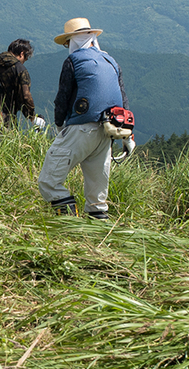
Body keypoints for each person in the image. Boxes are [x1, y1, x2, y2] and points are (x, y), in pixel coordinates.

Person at [37, 17, 128, 218]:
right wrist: (128, 138)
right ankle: (99, 239)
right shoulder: (111, 61)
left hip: (81, 129)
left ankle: (69, 225)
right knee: (97, 199)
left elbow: (62, 98)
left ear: (73, 41)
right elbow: (122, 98)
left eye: (68, 42)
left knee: (49, 182)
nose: (68, 46)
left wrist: (60, 127)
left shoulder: (73, 61)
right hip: (109, 132)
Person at [0, 39, 44, 130]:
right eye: (25, 58)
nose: (24, 61)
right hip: (6, 120)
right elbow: (25, 97)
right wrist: (32, 117)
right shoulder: (20, 69)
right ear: (21, 53)